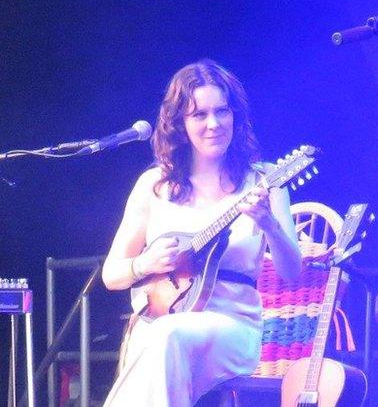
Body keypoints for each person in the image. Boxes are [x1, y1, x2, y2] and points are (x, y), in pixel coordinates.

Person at [101, 59, 302, 406]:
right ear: (180, 123)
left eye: (222, 112)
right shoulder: (154, 185)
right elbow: (111, 275)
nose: (213, 124)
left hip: (231, 327)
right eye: (199, 115)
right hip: (163, 325)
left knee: (165, 338)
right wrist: (145, 263)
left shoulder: (263, 181)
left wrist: (269, 223)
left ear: (235, 116)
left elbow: (292, 272)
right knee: (160, 338)